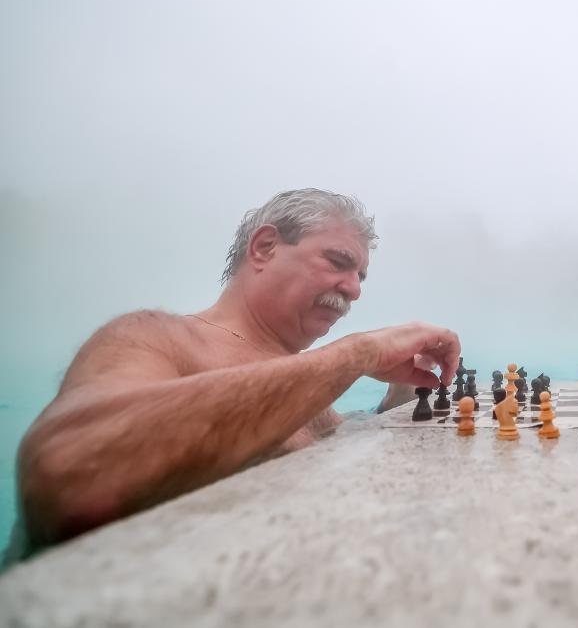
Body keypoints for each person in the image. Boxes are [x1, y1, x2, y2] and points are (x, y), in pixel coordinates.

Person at [12, 188, 461, 556]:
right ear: (264, 247)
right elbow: (65, 475)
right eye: (339, 262)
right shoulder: (156, 338)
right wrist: (356, 354)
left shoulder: (298, 380)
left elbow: (347, 436)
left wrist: (405, 386)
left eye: (361, 275)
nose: (354, 289)